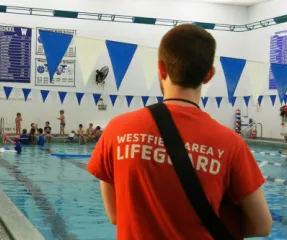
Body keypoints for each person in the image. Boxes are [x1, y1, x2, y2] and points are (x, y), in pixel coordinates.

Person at [87, 24, 272, 240]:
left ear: (161, 68)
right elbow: (262, 226)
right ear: (209, 75)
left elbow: (115, 216)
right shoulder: (231, 143)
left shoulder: (117, 130)